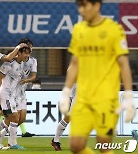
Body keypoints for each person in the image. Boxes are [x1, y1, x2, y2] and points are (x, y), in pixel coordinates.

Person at [59, 0, 135, 154]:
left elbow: (124, 64)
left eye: (85, 6)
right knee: (76, 145)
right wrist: (66, 91)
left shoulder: (114, 29)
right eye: (79, 6)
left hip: (106, 99)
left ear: (97, 5)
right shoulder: (78, 29)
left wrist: (128, 95)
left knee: (104, 145)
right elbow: (75, 63)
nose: (81, 10)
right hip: (82, 99)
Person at [0, 46, 31, 149]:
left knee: (14, 118)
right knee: (14, 117)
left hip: (12, 96)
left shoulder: (22, 65)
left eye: (28, 53)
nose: (27, 56)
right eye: (25, 53)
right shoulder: (9, 63)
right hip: (5, 94)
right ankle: (11, 143)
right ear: (18, 53)